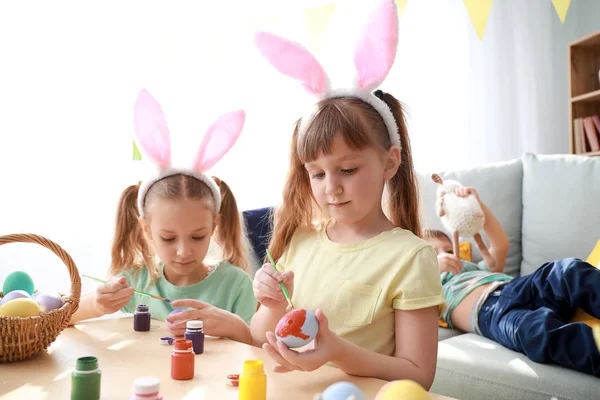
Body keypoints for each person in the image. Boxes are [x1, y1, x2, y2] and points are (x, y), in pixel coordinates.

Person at [249, 0, 445, 387]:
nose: (331, 187)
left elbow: (419, 375)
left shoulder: (411, 257)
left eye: (348, 170)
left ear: (390, 162)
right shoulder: (301, 241)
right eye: (316, 174)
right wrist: (271, 305)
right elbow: (259, 336)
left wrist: (337, 351)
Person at [69, 89, 257, 345]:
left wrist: (235, 327)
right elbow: (64, 318)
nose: (183, 251)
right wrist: (96, 305)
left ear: (214, 226)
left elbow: (255, 353)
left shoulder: (236, 285)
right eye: (168, 238)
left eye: (197, 236)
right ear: (146, 230)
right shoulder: (134, 282)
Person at [424, 186, 600, 377]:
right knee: (535, 332)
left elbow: (500, 245)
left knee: (566, 271)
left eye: (449, 250)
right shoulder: (428, 288)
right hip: (493, 315)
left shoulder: (473, 268)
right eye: (432, 253)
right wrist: (430, 266)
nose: (445, 256)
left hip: (515, 287)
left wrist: (476, 205)